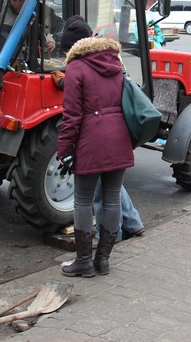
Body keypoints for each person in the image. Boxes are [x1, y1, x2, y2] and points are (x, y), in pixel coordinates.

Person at [56, 15, 134, 277]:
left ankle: (83, 261)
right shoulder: (116, 61)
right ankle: (103, 260)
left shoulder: (76, 68)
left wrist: (65, 150)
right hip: (119, 138)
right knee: (112, 199)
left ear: (73, 47)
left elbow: (72, 117)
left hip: (91, 141)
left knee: (83, 202)